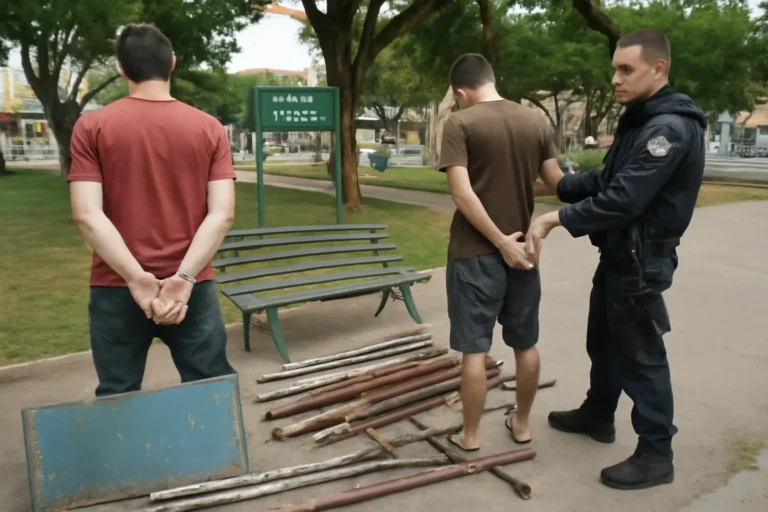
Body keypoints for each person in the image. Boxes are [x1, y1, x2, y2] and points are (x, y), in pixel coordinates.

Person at [525, 28, 706, 489]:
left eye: (626, 69)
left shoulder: (666, 129)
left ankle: (656, 453)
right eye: (614, 69)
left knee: (642, 356)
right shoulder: (642, 121)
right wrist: (560, 183)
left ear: (658, 68)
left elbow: (623, 198)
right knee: (603, 339)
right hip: (621, 255)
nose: (615, 80)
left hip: (641, 261)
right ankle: (598, 413)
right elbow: (608, 177)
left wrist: (553, 219)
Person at [68, 24, 238, 397]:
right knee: (210, 388)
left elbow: (87, 214)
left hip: (116, 285)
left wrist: (135, 278)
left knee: (118, 393)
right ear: (172, 64)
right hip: (192, 286)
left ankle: (128, 458)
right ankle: (212, 457)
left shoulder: (91, 127)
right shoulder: (209, 128)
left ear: (121, 69)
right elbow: (222, 214)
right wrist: (185, 278)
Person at [437, 53, 564, 451]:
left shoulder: (459, 123)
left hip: (474, 252)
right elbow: (557, 182)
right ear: (491, 79)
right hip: (524, 251)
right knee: (525, 343)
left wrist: (498, 242)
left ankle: (470, 436)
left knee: (474, 349)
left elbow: (462, 193)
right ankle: (522, 425)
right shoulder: (535, 121)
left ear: (462, 92)